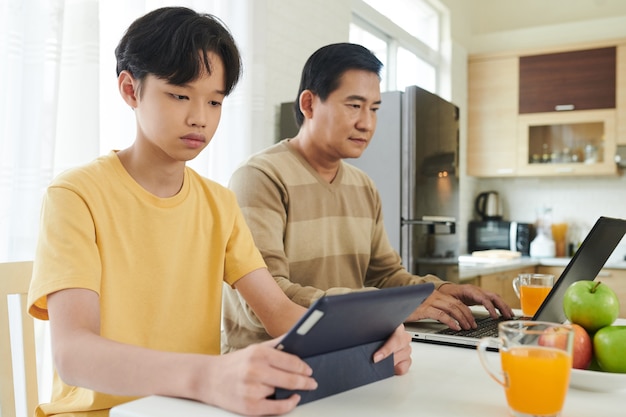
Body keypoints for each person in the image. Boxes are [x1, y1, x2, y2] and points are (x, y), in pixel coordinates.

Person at [26, 11, 411, 417]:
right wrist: (208, 375)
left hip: (192, 408)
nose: (200, 117)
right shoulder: (76, 194)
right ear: (129, 89)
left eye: (214, 101)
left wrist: (369, 335)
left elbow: (280, 313)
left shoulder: (218, 203)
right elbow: (74, 354)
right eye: (179, 95)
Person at [222, 42, 514, 352]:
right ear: (309, 104)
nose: (367, 123)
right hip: (266, 362)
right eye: (353, 105)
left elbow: (386, 275)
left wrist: (442, 289)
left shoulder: (363, 187)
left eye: (374, 109)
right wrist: (382, 308)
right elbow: (269, 300)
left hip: (343, 350)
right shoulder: (261, 177)